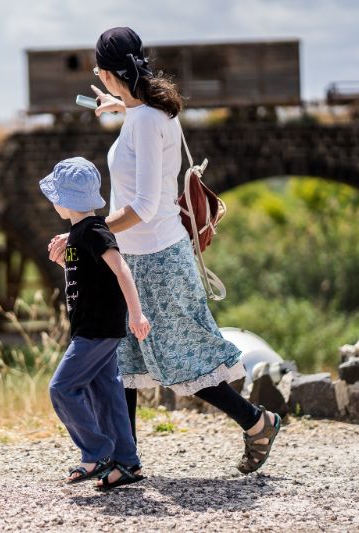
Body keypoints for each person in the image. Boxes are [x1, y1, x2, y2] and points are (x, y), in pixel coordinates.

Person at [47, 27, 281, 475]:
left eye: (98, 67)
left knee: (180, 359)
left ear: (107, 71)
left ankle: (257, 422)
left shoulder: (148, 120)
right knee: (123, 358)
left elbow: (148, 206)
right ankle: (125, 458)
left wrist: (86, 233)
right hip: (132, 253)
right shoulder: (146, 111)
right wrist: (121, 107)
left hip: (157, 256)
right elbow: (142, 139)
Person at [40, 156, 150, 490]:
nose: (54, 202)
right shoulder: (77, 235)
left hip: (97, 329)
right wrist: (62, 263)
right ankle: (126, 463)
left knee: (62, 388)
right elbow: (88, 280)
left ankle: (96, 453)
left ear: (66, 200)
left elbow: (121, 269)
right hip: (92, 326)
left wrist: (136, 313)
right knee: (107, 393)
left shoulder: (95, 230)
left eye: (56, 196)